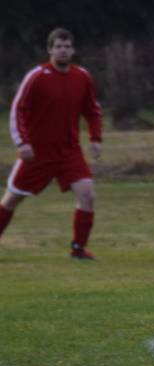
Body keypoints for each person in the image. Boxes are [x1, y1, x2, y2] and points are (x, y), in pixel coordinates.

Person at [0, 28, 102, 259]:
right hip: (37, 153)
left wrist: (95, 138)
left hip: (69, 152)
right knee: (11, 198)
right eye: (58, 46)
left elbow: (92, 111)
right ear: (50, 50)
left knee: (87, 195)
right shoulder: (37, 76)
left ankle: (78, 249)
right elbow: (18, 110)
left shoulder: (82, 77)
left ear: (73, 50)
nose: (63, 50)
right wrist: (22, 143)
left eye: (67, 46)